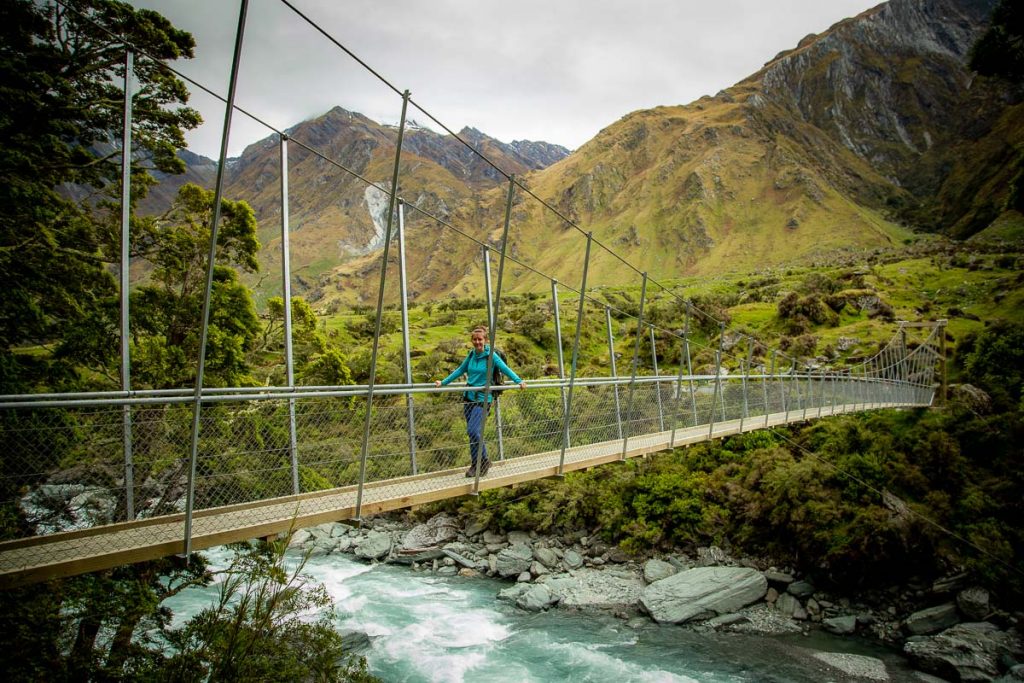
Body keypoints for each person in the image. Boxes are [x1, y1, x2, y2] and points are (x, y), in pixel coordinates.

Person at [435, 326, 525, 477]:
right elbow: (459, 370)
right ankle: (475, 465)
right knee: (472, 435)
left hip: (483, 399)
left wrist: (519, 381)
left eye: (480, 339)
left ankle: (484, 460)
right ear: (472, 340)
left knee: (473, 431)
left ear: (485, 340)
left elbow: (505, 369)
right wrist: (443, 383)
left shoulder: (491, 356)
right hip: (468, 397)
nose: (477, 342)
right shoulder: (471, 355)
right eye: (475, 339)